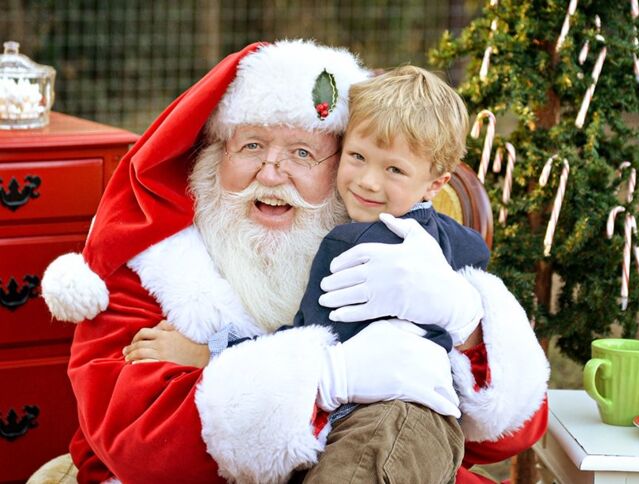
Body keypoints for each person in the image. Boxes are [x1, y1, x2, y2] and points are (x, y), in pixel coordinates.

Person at [41, 40, 549, 484]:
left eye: (303, 153)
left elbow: (512, 429)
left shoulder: (399, 244)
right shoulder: (155, 260)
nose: (272, 173)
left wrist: (464, 320)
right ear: (213, 154)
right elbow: (142, 441)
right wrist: (327, 376)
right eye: (251, 146)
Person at [123, 65, 491, 483]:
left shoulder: (347, 245)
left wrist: (210, 353)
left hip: (381, 426)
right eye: (357, 158)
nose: (368, 182)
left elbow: (304, 345)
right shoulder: (452, 237)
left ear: (435, 184)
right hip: (432, 434)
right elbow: (477, 253)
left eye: (394, 170)